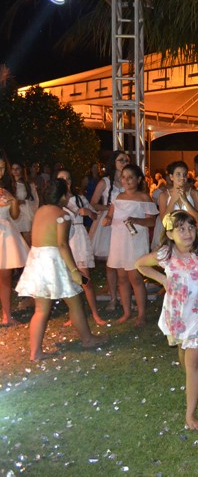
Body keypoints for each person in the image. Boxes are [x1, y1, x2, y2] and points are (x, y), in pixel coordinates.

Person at [135, 211, 198, 430]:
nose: (187, 233)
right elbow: (140, 264)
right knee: (183, 350)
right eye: (181, 229)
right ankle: (193, 381)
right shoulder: (166, 255)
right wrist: (162, 279)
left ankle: (190, 414)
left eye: (191, 227)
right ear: (170, 234)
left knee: (193, 363)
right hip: (178, 313)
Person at [16, 178, 106, 360]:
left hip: (37, 259)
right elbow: (62, 245)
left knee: (41, 309)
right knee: (75, 302)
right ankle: (87, 339)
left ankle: (35, 352)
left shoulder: (40, 211)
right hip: (53, 261)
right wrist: (74, 271)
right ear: (63, 196)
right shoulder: (62, 215)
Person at [102, 164, 158, 326]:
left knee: (136, 277)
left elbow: (151, 221)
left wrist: (136, 220)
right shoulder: (118, 197)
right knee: (122, 278)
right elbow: (110, 215)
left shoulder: (144, 198)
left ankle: (141, 314)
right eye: (124, 177)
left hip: (135, 241)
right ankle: (127, 311)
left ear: (138, 179)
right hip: (119, 240)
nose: (126, 180)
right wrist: (107, 219)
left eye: (130, 177)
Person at [57, 169, 105, 326]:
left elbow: (95, 215)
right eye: (62, 179)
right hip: (64, 238)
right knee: (68, 279)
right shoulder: (56, 201)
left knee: (85, 279)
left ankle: (95, 313)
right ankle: (73, 314)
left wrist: (88, 212)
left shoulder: (79, 198)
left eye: (68, 178)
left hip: (78, 237)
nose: (65, 182)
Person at [89, 151, 130, 311]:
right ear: (114, 162)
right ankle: (113, 298)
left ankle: (126, 297)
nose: (124, 162)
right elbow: (93, 203)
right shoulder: (105, 182)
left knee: (126, 263)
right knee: (111, 265)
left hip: (125, 223)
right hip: (109, 223)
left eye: (126, 160)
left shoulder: (129, 180)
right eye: (121, 160)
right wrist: (108, 209)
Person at [0, 152, 29, 326]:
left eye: (3, 168)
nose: (1, 171)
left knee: (5, 277)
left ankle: (7, 315)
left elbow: (15, 216)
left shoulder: (5, 191)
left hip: (6, 235)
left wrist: (13, 202)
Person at [156, 161, 198, 251]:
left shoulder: (194, 193)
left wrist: (186, 201)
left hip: (190, 236)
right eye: (178, 174)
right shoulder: (164, 195)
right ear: (171, 177)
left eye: (184, 174)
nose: (182, 177)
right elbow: (164, 222)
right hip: (172, 238)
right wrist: (173, 200)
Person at [9, 162, 39, 245]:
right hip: (13, 213)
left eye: (17, 169)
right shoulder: (8, 184)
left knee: (27, 239)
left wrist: (24, 202)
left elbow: (35, 200)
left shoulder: (28, 184)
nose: (15, 171)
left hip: (25, 213)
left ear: (22, 170)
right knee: (14, 238)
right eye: (13, 169)